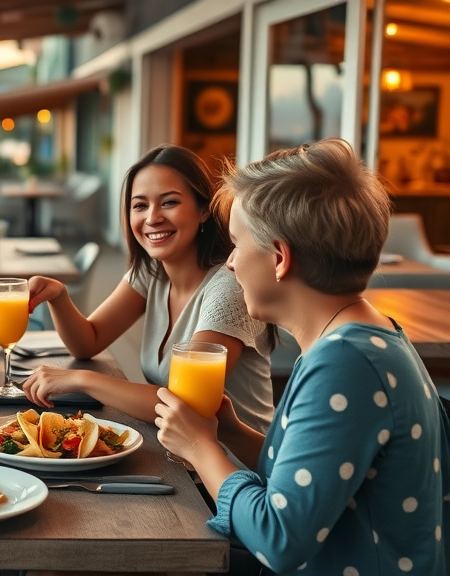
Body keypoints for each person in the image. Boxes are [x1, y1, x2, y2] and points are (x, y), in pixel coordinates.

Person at [155, 138, 450, 575]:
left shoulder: (347, 365)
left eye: (236, 244)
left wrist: (201, 449)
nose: (230, 264)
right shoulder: (364, 339)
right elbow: (310, 481)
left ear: (279, 258)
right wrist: (229, 434)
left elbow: (279, 538)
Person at [23, 145, 274, 433]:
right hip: (180, 453)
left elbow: (185, 404)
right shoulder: (152, 271)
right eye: (140, 205)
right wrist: (59, 297)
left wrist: (82, 380)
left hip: (235, 468)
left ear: (203, 210)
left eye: (169, 202)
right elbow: (88, 341)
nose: (152, 218)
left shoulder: (229, 286)